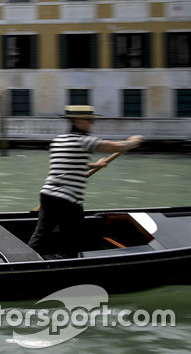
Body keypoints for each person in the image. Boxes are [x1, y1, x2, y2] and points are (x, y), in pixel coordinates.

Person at [27, 105, 144, 258]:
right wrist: (134, 141)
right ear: (76, 121)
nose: (91, 123)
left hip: (47, 195)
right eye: (88, 120)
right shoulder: (85, 141)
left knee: (41, 233)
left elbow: (67, 163)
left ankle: (24, 259)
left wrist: (95, 165)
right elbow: (118, 146)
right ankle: (68, 265)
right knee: (72, 237)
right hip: (67, 199)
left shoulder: (58, 140)